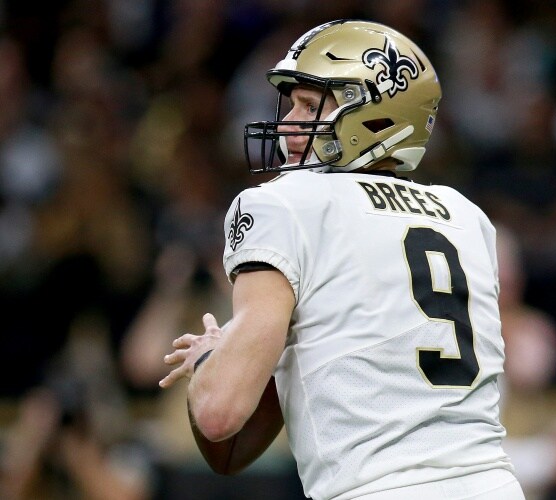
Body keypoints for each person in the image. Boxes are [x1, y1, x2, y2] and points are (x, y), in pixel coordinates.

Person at [159, 19, 525, 500]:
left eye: (309, 105)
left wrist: (212, 356)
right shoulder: (466, 216)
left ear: (374, 117)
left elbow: (220, 416)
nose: (290, 122)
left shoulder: (283, 203)